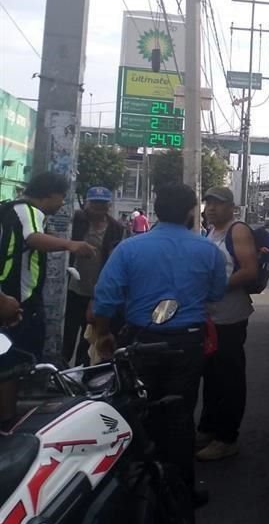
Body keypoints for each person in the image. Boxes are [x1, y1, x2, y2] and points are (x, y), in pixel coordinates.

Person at [92, 183, 226, 505]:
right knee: (180, 417)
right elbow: (215, 294)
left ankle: (134, 493)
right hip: (187, 344)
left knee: (137, 415)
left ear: (156, 209)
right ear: (191, 212)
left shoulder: (129, 248)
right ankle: (181, 493)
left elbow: (104, 299)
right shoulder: (208, 250)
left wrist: (103, 335)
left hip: (139, 342)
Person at [0, 172, 96, 430]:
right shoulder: (28, 210)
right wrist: (71, 245)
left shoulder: (12, 209)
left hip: (12, 298)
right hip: (16, 300)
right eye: (61, 197)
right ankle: (9, 423)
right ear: (49, 194)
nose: (61, 204)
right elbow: (32, 238)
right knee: (12, 364)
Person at [195, 186, 257, 461]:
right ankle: (208, 428)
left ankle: (227, 437)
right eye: (208, 203)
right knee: (211, 376)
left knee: (229, 377)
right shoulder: (211, 231)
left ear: (232, 207)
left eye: (218, 204)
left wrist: (217, 288)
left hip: (230, 318)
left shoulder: (237, 230)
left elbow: (249, 270)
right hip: (211, 318)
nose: (211, 208)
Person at [62, 186, 126, 366]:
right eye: (95, 203)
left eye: (103, 203)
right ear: (87, 203)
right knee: (67, 333)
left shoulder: (116, 228)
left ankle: (81, 372)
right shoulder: (75, 220)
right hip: (72, 289)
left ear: (108, 205)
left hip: (97, 291)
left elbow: (114, 260)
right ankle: (60, 370)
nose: (98, 207)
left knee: (89, 338)